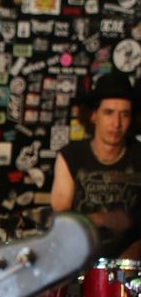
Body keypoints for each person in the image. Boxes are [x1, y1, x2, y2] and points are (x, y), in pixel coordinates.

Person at [51, 71, 141, 258]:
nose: (116, 123)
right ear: (93, 115)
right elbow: (61, 220)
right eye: (109, 113)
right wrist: (102, 218)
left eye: (124, 115)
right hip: (80, 259)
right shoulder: (71, 156)